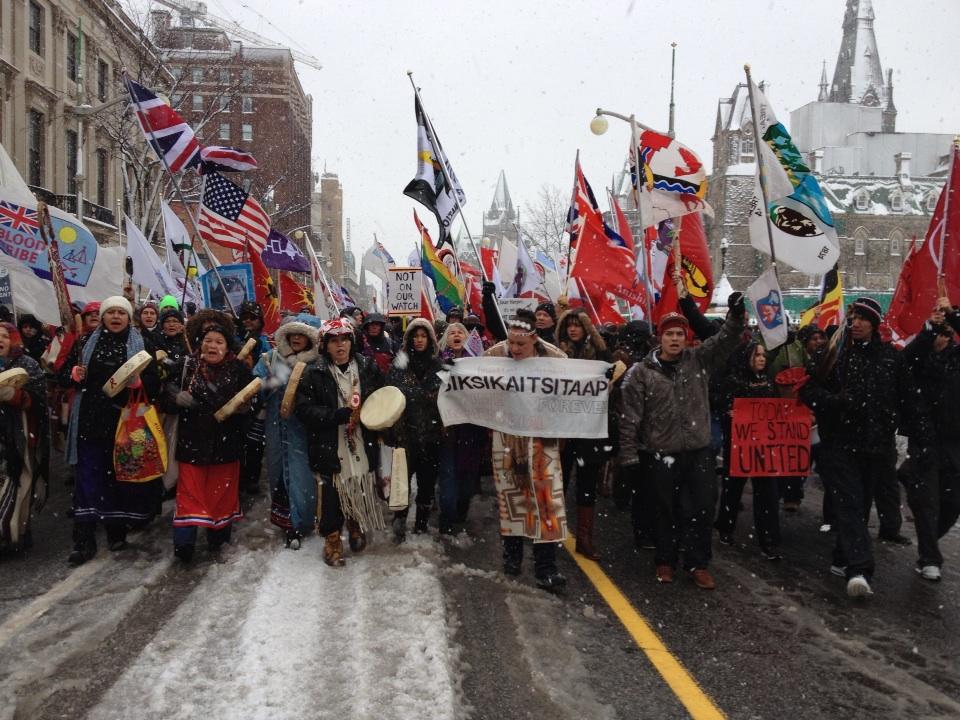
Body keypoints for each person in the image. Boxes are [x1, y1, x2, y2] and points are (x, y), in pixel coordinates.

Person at [799, 297, 930, 597]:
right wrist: (835, 402)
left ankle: (842, 557)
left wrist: (921, 435)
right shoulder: (832, 355)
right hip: (839, 445)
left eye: (863, 318)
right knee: (849, 504)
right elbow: (807, 390)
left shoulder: (890, 359)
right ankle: (859, 569)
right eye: (853, 317)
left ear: (874, 324)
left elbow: (909, 399)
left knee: (860, 506)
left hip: (876, 447)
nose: (856, 323)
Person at [619, 293, 747, 590]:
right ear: (659, 338)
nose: (675, 339)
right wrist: (628, 456)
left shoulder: (698, 360)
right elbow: (630, 417)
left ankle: (698, 563)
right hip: (661, 453)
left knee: (702, 508)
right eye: (669, 334)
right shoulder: (641, 373)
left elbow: (726, 339)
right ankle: (665, 560)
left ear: (686, 338)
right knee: (664, 509)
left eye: (679, 333)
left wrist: (737, 315)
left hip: (698, 450)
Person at [63, 296, 161, 565]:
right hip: (90, 422)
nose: (116, 317)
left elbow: (156, 385)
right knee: (87, 481)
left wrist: (141, 382)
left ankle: (116, 531)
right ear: (103, 317)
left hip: (124, 424)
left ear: (130, 318)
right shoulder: (85, 345)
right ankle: (83, 542)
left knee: (119, 479)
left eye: (121, 313)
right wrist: (72, 375)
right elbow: (62, 377)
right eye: (111, 313)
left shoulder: (142, 346)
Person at [486, 308, 568, 592]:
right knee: (513, 502)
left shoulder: (555, 359)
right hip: (507, 438)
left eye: (521, 344)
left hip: (541, 438)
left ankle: (546, 569)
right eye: (512, 342)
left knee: (546, 504)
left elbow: (576, 383)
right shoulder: (495, 355)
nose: (515, 348)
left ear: (534, 339)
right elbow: (475, 380)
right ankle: (512, 558)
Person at [296, 318, 383, 566]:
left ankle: (356, 526)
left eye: (344, 339)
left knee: (359, 485)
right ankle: (332, 541)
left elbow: (380, 396)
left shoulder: (367, 367)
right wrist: (334, 416)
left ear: (351, 342)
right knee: (332, 496)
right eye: (334, 341)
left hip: (360, 439)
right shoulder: (314, 372)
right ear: (325, 346)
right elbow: (303, 411)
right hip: (329, 443)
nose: (340, 345)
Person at [166, 325, 252, 562]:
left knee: (221, 496)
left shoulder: (238, 369)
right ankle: (184, 545)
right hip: (192, 441)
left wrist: (244, 408)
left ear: (227, 347)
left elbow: (254, 399)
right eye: (208, 341)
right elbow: (165, 393)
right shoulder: (186, 366)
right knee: (189, 495)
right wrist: (176, 398)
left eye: (219, 342)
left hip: (226, 444)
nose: (212, 346)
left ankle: (219, 539)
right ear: (200, 344)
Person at [898, 297, 960, 582]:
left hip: (953, 441)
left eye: (946, 334)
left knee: (952, 502)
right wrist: (929, 329)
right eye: (939, 333)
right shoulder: (919, 357)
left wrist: (952, 315)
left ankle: (929, 540)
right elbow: (907, 358)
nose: (941, 339)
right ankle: (929, 557)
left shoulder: (957, 359)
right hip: (924, 439)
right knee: (926, 501)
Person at [254, 313, 322, 548]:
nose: (296, 338)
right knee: (278, 473)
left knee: (302, 476)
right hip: (275, 428)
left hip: (303, 430)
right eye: (292, 333)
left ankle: (302, 522)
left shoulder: (318, 364)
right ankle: (287, 523)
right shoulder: (271, 358)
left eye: (301, 334)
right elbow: (254, 386)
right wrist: (266, 384)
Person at [714, 341, 783, 560]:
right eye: (757, 355)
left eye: (763, 355)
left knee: (767, 495)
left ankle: (768, 541)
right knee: (733, 490)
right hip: (739, 446)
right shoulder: (733, 382)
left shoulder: (769, 383)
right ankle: (726, 528)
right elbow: (721, 405)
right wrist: (730, 414)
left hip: (763, 447)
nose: (762, 359)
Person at [555, 308, 612, 560]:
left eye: (578, 325)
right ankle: (553, 533)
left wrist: (595, 335)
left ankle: (585, 539)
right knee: (560, 481)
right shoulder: (557, 354)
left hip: (589, 429)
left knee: (586, 484)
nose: (573, 329)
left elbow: (609, 365)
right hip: (564, 429)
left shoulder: (597, 354)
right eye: (569, 325)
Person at [387, 318, 444, 543]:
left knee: (427, 480)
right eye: (415, 336)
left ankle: (421, 521)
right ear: (409, 338)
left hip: (431, 433)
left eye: (423, 336)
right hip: (405, 432)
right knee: (401, 478)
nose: (419, 340)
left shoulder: (438, 365)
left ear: (430, 339)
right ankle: (399, 518)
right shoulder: (400, 363)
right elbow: (389, 392)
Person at [0, 323, 48, 554]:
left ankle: (15, 531)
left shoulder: (27, 365)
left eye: (3, 336)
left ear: (13, 339)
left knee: (18, 484)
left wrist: (15, 396)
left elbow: (39, 401)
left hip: (17, 435)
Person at [437, 322, 487, 534]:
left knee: (467, 479)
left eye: (460, 332)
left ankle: (461, 507)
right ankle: (446, 517)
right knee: (448, 478)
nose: (456, 335)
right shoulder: (438, 362)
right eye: (451, 333)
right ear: (445, 339)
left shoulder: (480, 365)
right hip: (448, 432)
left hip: (472, 431)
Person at [236, 301, 271, 498]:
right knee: (240, 439)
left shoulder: (264, 342)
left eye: (253, 318)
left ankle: (252, 477)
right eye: (245, 317)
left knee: (255, 441)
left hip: (257, 395)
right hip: (237, 394)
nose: (248, 321)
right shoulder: (235, 338)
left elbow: (267, 368)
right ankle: (240, 476)